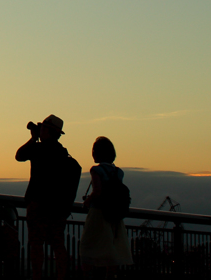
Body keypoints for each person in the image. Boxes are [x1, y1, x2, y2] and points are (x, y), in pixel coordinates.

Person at [15, 115, 78, 280]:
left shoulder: (39, 149)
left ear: (47, 131)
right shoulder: (63, 153)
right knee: (58, 245)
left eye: (42, 128)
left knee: (36, 245)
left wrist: (33, 139)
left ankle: (37, 276)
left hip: (38, 205)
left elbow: (19, 155)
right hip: (57, 209)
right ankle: (62, 276)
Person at [79, 137, 133, 277]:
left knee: (88, 248)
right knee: (111, 251)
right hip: (115, 215)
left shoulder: (96, 170)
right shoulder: (119, 172)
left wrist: (87, 201)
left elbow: (97, 191)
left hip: (98, 214)